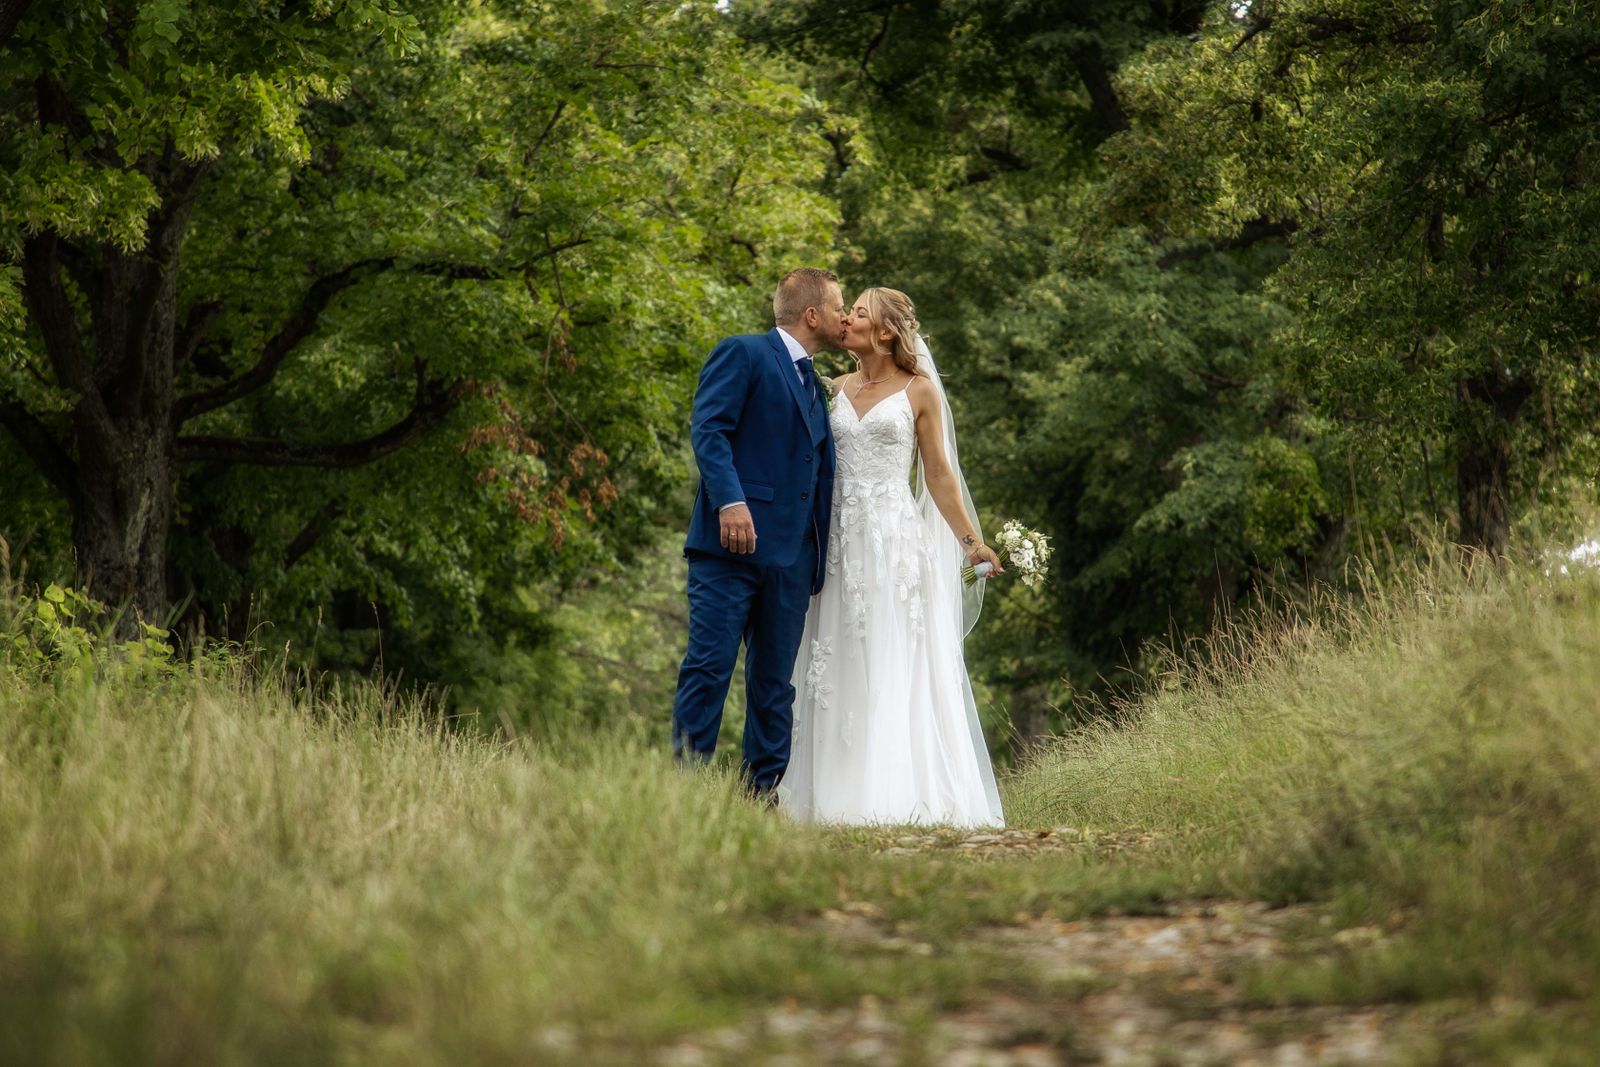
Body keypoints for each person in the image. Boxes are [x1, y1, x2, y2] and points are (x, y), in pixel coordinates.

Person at [780, 287, 1006, 826]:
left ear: (885, 331)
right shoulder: (832, 387)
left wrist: (971, 542)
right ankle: (827, 792)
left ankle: (892, 791)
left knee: (887, 654)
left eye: (858, 313)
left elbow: (939, 474)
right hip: (836, 541)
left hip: (892, 542)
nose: (846, 319)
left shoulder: (918, 390)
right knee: (834, 656)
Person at [671, 268, 845, 803]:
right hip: (729, 550)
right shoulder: (743, 353)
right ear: (812, 315)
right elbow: (710, 429)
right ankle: (687, 792)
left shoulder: (816, 383)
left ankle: (761, 794)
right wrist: (730, 502)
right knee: (709, 667)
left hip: (793, 559)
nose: (845, 317)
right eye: (839, 307)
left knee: (774, 685)